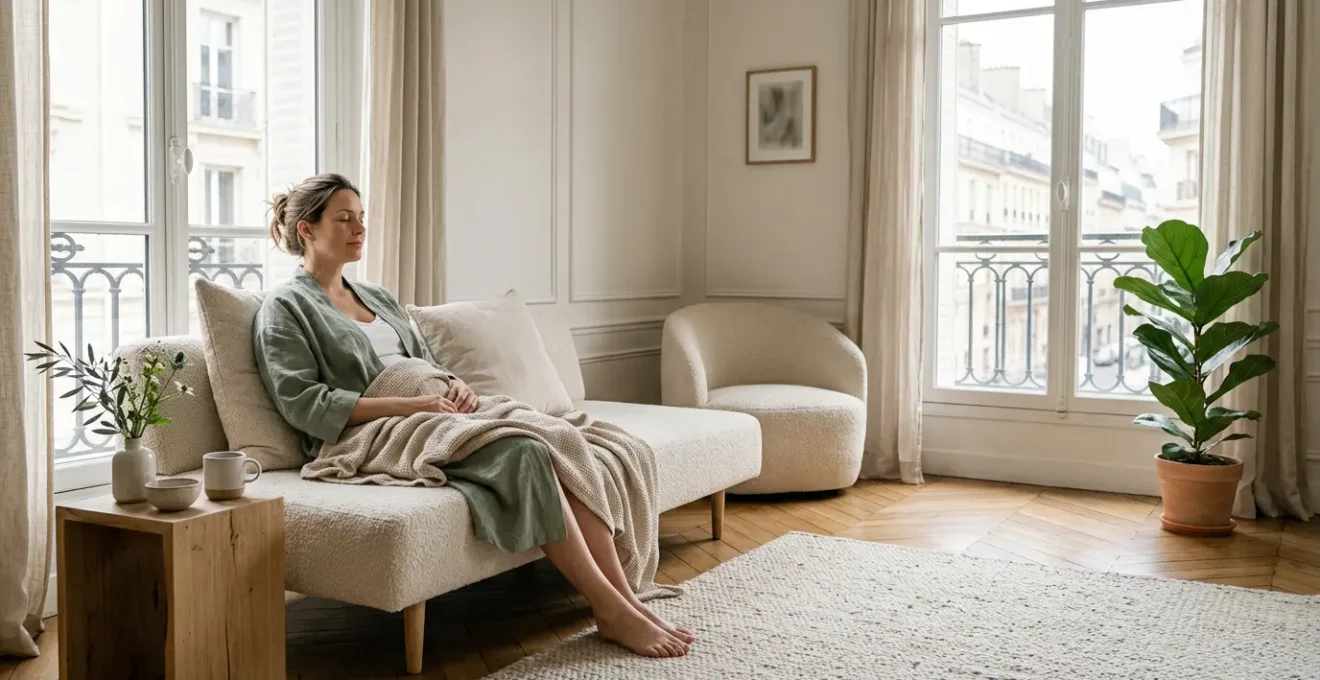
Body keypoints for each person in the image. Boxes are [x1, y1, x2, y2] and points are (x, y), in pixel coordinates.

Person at [253, 173, 692, 658]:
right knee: (523, 451)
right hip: (370, 430)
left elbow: (424, 360)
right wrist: (414, 404)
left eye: (361, 218)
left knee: (570, 440)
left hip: (435, 407)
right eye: (344, 219)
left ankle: (626, 599)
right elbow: (304, 404)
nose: (359, 228)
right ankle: (608, 609)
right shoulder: (285, 308)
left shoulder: (374, 296)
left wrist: (453, 384)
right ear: (306, 231)